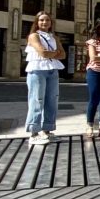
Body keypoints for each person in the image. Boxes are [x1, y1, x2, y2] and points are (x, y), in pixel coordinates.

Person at [25, 12, 65, 145]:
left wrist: (51, 54)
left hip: (52, 70)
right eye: (42, 20)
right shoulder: (33, 36)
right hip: (37, 70)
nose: (45, 22)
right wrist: (55, 53)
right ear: (37, 22)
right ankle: (33, 132)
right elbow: (42, 52)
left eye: (47, 20)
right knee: (37, 100)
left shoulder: (54, 37)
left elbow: (63, 54)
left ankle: (47, 130)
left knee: (52, 100)